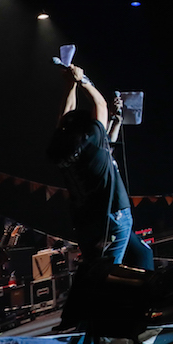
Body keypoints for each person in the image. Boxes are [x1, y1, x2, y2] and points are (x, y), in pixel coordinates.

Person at [46, 64, 153, 273]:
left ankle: (144, 297)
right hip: (112, 215)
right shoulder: (92, 140)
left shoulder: (62, 149)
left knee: (141, 253)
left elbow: (65, 120)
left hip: (88, 220)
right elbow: (101, 105)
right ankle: (111, 304)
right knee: (107, 273)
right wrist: (81, 79)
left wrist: (70, 86)